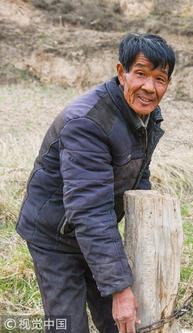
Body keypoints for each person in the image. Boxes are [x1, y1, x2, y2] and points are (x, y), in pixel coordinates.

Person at [16, 33, 175, 333]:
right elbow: (89, 210)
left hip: (95, 232)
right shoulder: (87, 123)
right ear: (121, 73)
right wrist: (119, 287)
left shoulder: (146, 116)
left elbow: (138, 177)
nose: (149, 88)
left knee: (121, 323)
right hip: (55, 235)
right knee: (69, 326)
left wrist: (150, 242)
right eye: (140, 74)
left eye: (160, 79)